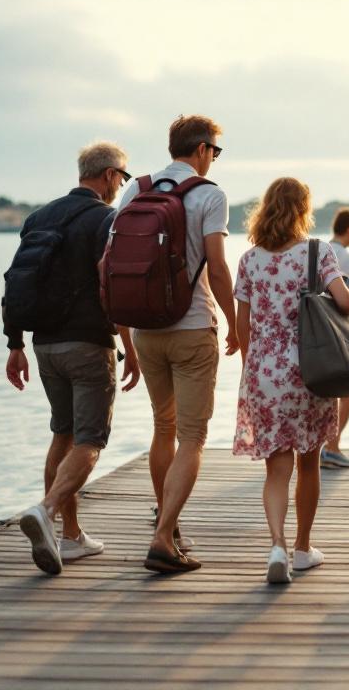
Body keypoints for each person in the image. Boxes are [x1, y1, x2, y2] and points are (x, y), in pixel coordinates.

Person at [5, 142, 140, 576]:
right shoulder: (106, 219)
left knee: (62, 433)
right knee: (90, 440)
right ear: (107, 176)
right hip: (87, 344)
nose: (121, 185)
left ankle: (71, 536)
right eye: (122, 177)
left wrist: (14, 345)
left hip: (44, 346)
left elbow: (16, 281)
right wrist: (130, 347)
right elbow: (110, 285)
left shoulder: (39, 218)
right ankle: (46, 511)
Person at [119, 115, 238, 575]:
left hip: (146, 329)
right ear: (204, 150)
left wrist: (124, 331)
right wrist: (235, 324)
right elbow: (219, 267)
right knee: (193, 436)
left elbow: (113, 259)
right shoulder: (210, 195)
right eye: (216, 151)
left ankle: (167, 522)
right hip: (191, 327)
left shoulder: (137, 189)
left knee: (162, 426)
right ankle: (164, 536)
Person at [232, 178, 349, 584]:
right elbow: (345, 302)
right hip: (311, 371)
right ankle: (303, 548)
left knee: (276, 470)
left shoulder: (250, 259)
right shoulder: (318, 253)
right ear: (303, 209)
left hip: (265, 374)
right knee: (309, 462)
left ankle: (277, 545)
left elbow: (242, 325)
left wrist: (254, 368)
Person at [321, 206, 349, 469]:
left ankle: (322, 446)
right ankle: (332, 447)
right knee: (348, 394)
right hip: (337, 332)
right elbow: (344, 299)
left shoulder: (321, 250)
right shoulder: (343, 256)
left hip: (318, 332)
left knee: (328, 393)